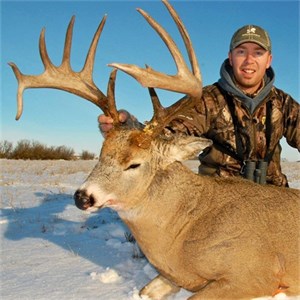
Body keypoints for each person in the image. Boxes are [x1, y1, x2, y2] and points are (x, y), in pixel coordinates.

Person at [99, 24, 299, 187]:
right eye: (241, 51)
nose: (249, 60)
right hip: (219, 201)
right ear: (230, 57)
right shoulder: (207, 100)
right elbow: (162, 136)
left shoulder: (283, 103)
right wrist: (127, 126)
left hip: (273, 199)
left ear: (268, 60)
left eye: (257, 52)